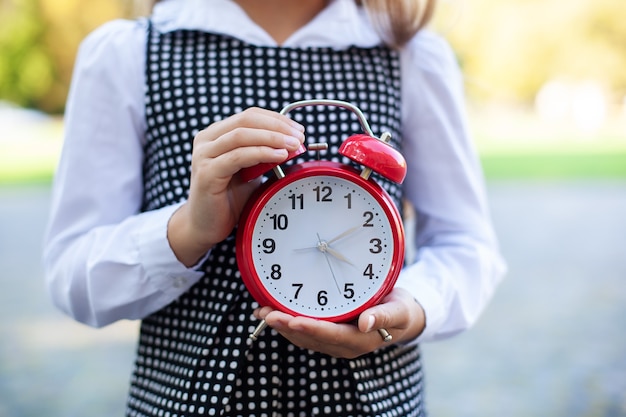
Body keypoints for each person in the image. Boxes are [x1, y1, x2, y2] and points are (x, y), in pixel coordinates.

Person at [43, 0, 506, 415]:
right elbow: (72, 277)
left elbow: (466, 244)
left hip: (373, 400)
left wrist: (412, 309)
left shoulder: (410, 54)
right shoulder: (128, 53)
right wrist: (189, 229)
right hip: (188, 398)